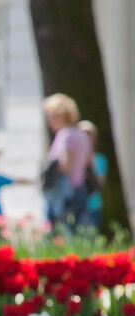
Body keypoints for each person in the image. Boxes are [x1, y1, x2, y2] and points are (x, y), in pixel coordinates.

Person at [41, 93, 91, 231]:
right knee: (78, 228)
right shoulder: (81, 136)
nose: (49, 122)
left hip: (64, 190)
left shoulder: (64, 135)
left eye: (51, 117)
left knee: (62, 229)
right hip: (80, 186)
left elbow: (65, 165)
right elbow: (86, 161)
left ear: (59, 116)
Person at [77, 120, 106, 231]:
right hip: (76, 206)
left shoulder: (100, 159)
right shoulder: (72, 160)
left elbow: (100, 183)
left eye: (88, 135)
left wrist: (90, 162)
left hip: (93, 205)